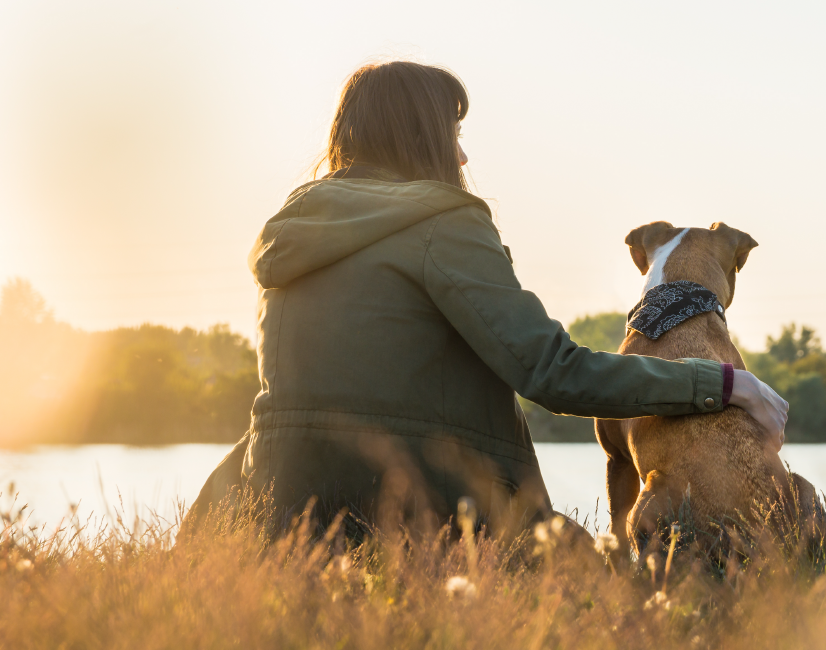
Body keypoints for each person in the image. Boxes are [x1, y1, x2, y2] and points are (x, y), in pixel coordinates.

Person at [187, 60, 788, 539]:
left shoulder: (290, 232)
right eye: (454, 135)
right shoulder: (445, 223)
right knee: (609, 597)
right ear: (419, 138)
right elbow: (554, 372)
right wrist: (722, 383)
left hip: (275, 511)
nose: (464, 156)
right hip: (425, 510)